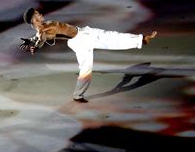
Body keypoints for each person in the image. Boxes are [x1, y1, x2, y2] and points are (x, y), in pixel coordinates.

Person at [19, 7, 157, 103]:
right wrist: (34, 46)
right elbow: (40, 39)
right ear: (34, 20)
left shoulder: (46, 25)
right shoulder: (43, 31)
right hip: (81, 40)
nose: (40, 14)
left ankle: (141, 40)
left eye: (38, 12)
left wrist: (32, 42)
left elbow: (37, 38)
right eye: (37, 14)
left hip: (82, 34)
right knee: (91, 62)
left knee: (110, 37)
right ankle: (78, 95)